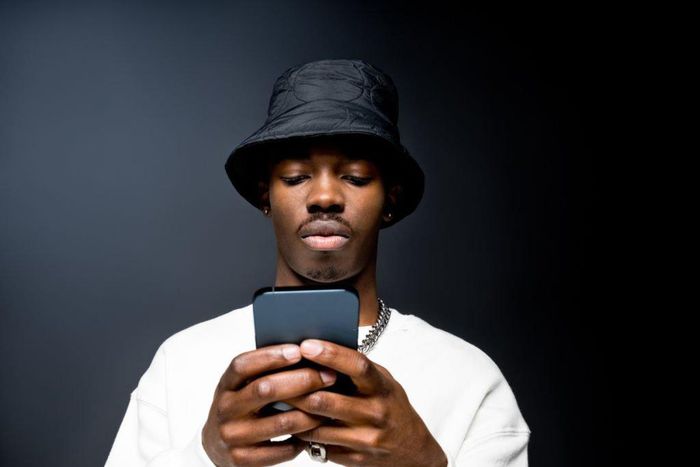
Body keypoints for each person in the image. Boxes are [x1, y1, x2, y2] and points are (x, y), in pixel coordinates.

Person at [105, 58, 531, 466]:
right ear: (264, 196)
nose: (324, 197)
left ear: (390, 200)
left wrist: (424, 464)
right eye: (295, 177)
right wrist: (205, 456)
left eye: (355, 177)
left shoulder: (468, 377)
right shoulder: (180, 362)